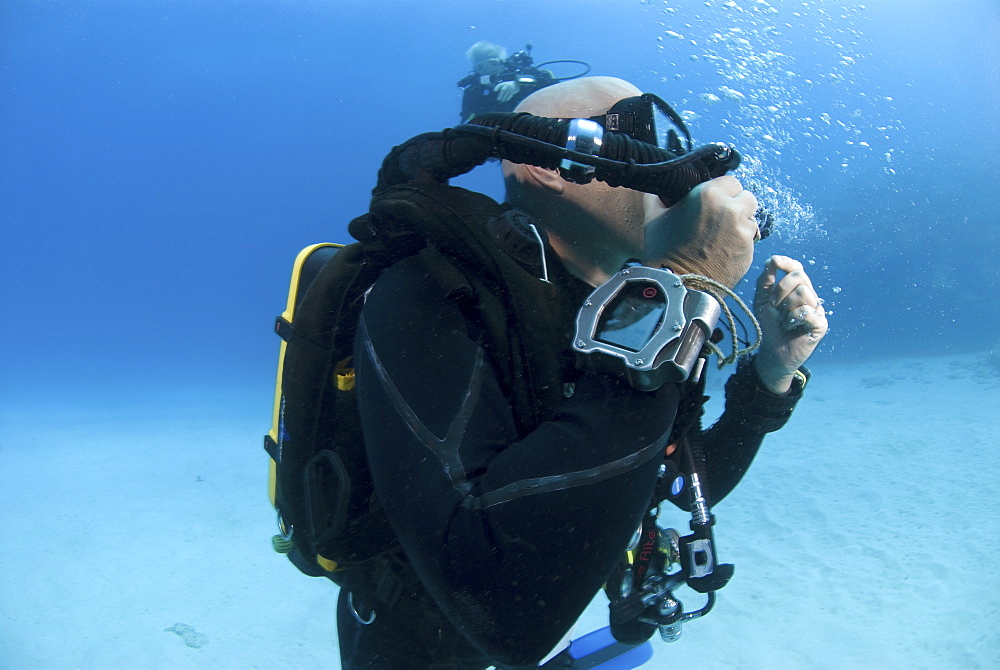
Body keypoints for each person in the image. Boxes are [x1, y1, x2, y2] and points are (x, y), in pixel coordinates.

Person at [339, 76, 828, 669]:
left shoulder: (633, 308)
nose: (674, 161)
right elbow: (499, 615)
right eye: (643, 129)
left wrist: (770, 375)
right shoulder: (430, 293)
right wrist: (685, 275)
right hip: (416, 634)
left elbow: (680, 483)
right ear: (548, 169)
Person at [457, 41, 558, 121]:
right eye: (481, 67)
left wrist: (520, 84)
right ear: (475, 71)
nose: (489, 69)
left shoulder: (523, 72)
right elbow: (468, 120)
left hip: (537, 128)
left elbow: (552, 85)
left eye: (493, 63)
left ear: (503, 62)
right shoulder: (472, 92)